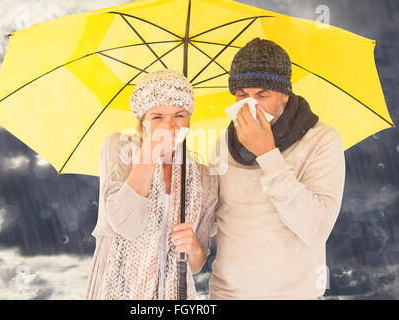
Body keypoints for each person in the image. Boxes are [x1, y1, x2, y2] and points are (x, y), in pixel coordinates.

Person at [208, 38, 346, 299]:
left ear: (284, 94)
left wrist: (267, 154)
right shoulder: (222, 146)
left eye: (262, 95)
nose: (250, 106)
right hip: (226, 295)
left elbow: (316, 229)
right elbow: (211, 223)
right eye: (241, 95)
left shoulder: (322, 140)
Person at [84, 69, 219, 300]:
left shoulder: (204, 177)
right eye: (157, 117)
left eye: (179, 115)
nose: (170, 125)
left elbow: (196, 265)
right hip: (114, 288)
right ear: (143, 122)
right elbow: (125, 225)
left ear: (189, 120)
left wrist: (193, 247)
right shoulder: (119, 149)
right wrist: (150, 153)